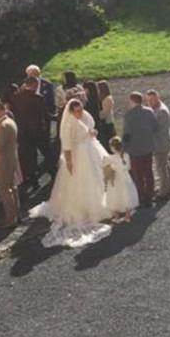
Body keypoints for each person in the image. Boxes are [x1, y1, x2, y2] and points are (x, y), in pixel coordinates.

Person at [29, 99, 111, 248]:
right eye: (77, 111)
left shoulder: (85, 116)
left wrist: (92, 133)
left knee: (96, 179)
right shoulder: (68, 123)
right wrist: (69, 162)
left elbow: (91, 128)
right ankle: (82, 209)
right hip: (78, 156)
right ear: (71, 112)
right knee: (79, 183)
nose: (80, 113)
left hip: (90, 152)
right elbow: (67, 145)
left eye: (80, 110)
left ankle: (96, 204)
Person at [0, 101, 21, 228]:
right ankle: (16, 215)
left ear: (2, 111)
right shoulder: (7, 122)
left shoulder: (3, 125)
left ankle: (11, 219)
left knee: (5, 190)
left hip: (2, 161)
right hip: (8, 159)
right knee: (12, 188)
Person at [10, 77, 50, 188]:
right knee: (45, 152)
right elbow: (45, 115)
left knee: (26, 156)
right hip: (36, 131)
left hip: (21, 131)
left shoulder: (15, 97)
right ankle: (53, 172)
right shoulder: (38, 98)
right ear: (34, 85)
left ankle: (30, 178)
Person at [121, 92, 157, 207]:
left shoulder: (129, 115)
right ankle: (149, 196)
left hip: (135, 150)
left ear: (132, 101)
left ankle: (141, 197)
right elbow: (155, 127)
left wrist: (123, 149)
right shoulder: (149, 111)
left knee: (138, 175)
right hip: (148, 147)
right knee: (149, 173)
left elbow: (127, 135)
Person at [147, 89, 170, 201]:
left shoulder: (162, 111)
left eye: (152, 100)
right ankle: (168, 187)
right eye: (148, 100)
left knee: (161, 168)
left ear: (157, 98)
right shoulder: (156, 109)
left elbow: (159, 129)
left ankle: (163, 192)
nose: (149, 102)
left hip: (161, 143)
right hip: (162, 142)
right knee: (165, 166)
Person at [103, 136, 139, 223]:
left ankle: (116, 215)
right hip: (126, 178)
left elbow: (105, 166)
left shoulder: (110, 158)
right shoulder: (126, 155)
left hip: (116, 179)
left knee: (115, 195)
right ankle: (127, 215)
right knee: (126, 194)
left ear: (113, 148)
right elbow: (128, 167)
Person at [96, 80, 116, 147]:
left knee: (111, 139)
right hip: (104, 122)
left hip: (108, 122)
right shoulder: (101, 97)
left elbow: (105, 112)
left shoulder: (108, 99)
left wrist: (97, 115)